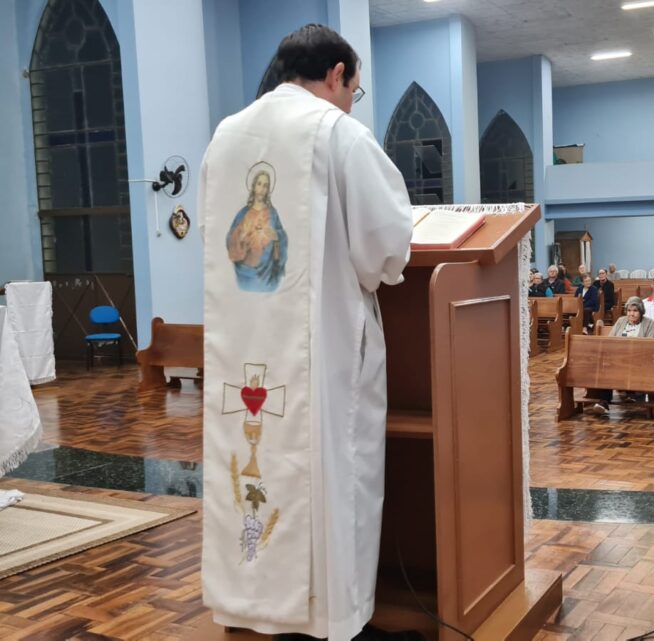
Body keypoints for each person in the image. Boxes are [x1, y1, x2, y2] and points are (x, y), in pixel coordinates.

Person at [200, 24, 414, 641]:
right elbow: (385, 252)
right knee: (334, 478)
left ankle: (254, 611)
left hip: (244, 352)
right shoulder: (338, 135)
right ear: (337, 74)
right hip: (324, 355)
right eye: (355, 87)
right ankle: (334, 621)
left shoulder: (226, 136)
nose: (352, 99)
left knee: (252, 461)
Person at [584, 297, 654, 415]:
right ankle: (604, 402)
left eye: (635, 311)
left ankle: (632, 393)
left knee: (619, 366)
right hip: (618, 358)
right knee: (605, 365)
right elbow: (611, 340)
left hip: (639, 360)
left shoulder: (649, 323)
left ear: (641, 311)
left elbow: (651, 345)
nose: (631, 314)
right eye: (629, 310)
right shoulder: (621, 321)